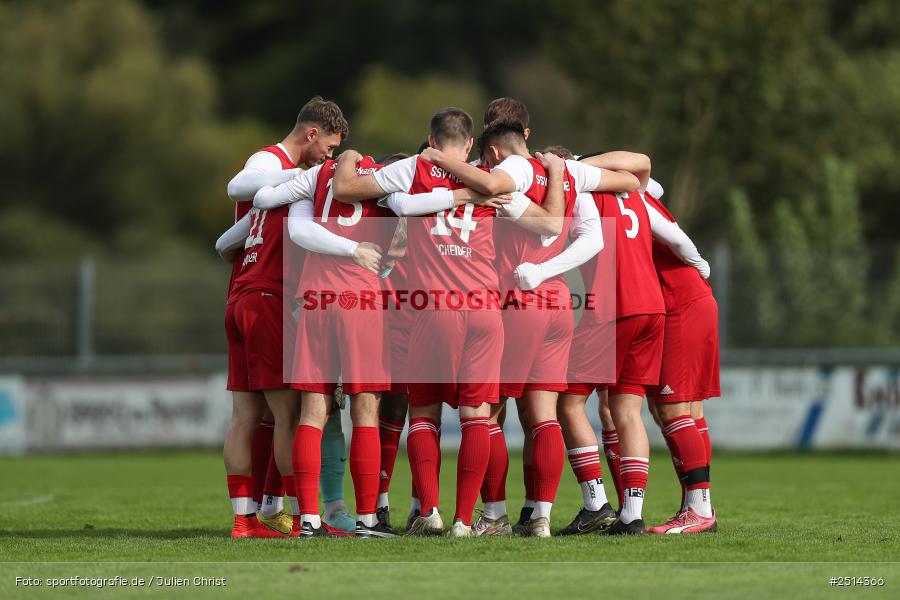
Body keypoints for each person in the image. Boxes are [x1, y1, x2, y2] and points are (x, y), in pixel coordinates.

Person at [214, 96, 350, 538]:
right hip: (269, 297)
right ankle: (299, 519)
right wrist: (306, 175)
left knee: (247, 416)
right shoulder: (272, 162)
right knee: (289, 414)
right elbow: (238, 186)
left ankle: (244, 519)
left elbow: (225, 241)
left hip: (241, 296)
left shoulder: (277, 190)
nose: (328, 159)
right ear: (311, 134)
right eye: (327, 148)